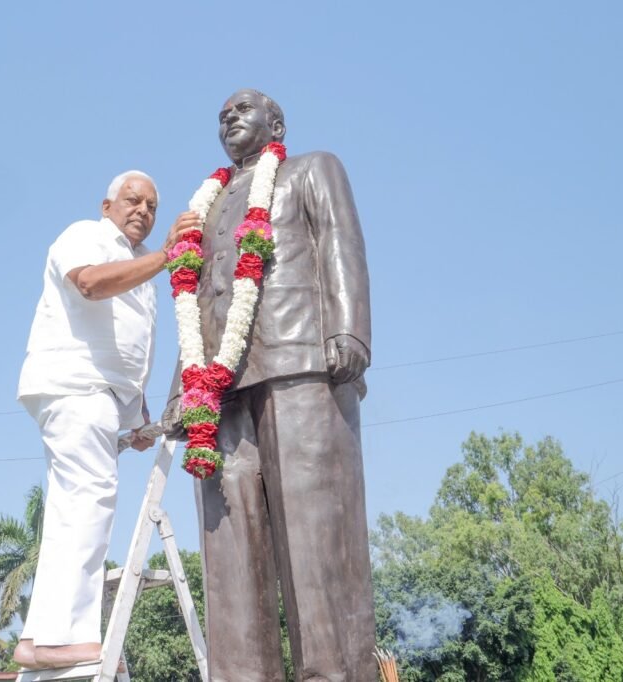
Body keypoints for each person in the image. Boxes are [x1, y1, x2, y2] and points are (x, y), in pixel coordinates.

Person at [164, 89, 377, 682]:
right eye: (222, 116)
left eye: (242, 110)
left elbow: (340, 241)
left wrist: (350, 328)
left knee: (316, 542)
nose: (230, 118)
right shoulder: (202, 210)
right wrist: (183, 392)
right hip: (220, 392)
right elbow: (195, 297)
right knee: (231, 557)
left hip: (300, 363)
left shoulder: (312, 169)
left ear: (275, 122)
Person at [13, 171, 199, 670]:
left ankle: (38, 639)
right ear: (107, 204)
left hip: (97, 397)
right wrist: (166, 256)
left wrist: (135, 419)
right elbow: (91, 285)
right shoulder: (85, 236)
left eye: (153, 206)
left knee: (71, 508)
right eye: (133, 200)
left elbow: (127, 352)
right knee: (90, 500)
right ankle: (62, 636)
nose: (143, 210)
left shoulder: (139, 269)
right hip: (75, 386)